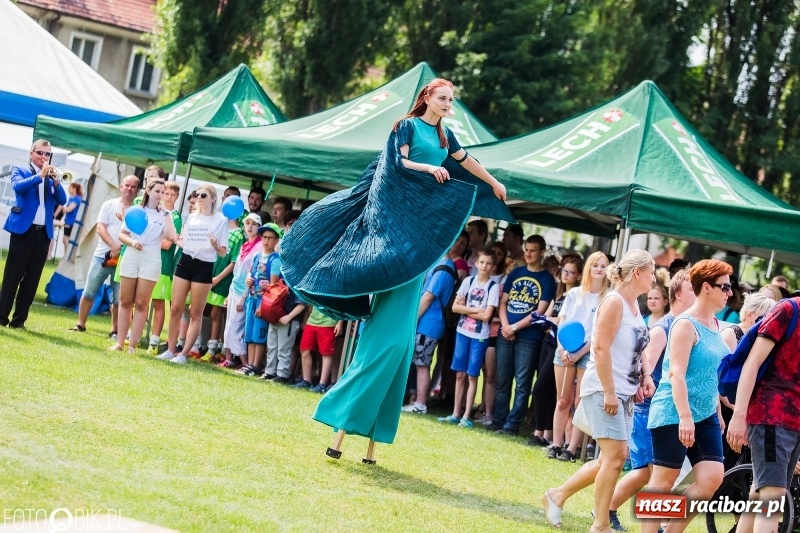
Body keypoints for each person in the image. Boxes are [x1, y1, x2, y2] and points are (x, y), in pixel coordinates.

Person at [280, 77, 507, 461]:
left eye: (451, 99)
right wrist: (426, 169)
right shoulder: (406, 126)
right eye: (442, 98)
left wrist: (494, 182)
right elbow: (396, 162)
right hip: (395, 235)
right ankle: (342, 418)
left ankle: (372, 436)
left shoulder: (445, 135)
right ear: (427, 99)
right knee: (384, 346)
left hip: (417, 242)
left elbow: (466, 160)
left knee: (400, 350)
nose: (448, 103)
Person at [542, 249, 654, 533]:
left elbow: (635, 349)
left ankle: (557, 495)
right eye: (651, 272)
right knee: (616, 457)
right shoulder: (613, 302)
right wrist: (609, 393)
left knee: (611, 458)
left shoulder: (633, 305)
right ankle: (601, 524)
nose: (654, 278)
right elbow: (600, 348)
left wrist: (642, 378)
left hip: (625, 392)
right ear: (637, 273)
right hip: (604, 390)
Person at [642, 259, 733, 533]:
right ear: (706, 287)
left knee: (712, 478)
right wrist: (684, 418)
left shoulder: (718, 325)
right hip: (674, 411)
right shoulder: (684, 324)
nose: (730, 293)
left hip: (705, 414)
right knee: (663, 481)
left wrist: (716, 408)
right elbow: (676, 375)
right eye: (725, 287)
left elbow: (710, 373)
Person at [605, 268, 695, 531]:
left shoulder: (688, 325)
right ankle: (611, 510)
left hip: (667, 409)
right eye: (692, 289)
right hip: (649, 408)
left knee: (653, 473)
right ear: (678, 294)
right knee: (655, 472)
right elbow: (646, 366)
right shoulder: (663, 328)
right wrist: (647, 383)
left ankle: (611, 509)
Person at [727, 293, 800, 533]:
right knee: (773, 496)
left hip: (794, 422)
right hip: (771, 415)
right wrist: (739, 416)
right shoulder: (788, 310)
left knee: (760, 493)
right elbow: (752, 362)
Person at [548, 252, 611, 462]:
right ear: (589, 268)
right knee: (562, 400)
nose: (599, 269)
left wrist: (579, 353)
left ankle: (571, 449)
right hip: (565, 351)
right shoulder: (574, 293)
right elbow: (562, 322)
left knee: (580, 401)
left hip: (588, 353)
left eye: (604, 266)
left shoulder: (607, 298)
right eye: (596, 265)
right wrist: (562, 349)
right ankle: (556, 444)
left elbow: (600, 332)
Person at [156, 185, 229, 365]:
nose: (199, 197)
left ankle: (184, 353)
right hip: (186, 260)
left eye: (203, 195)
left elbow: (222, 253)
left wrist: (214, 244)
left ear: (213, 198)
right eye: (197, 195)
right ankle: (171, 349)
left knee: (195, 312)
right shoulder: (192, 217)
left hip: (204, 265)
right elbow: (185, 241)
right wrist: (176, 240)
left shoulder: (220, 220)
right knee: (175, 308)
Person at [491, 234, 556, 435]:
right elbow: (503, 302)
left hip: (529, 337)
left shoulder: (547, 279)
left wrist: (515, 328)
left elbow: (540, 312)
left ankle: (512, 424)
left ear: (542, 252)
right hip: (505, 332)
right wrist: (505, 326)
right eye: (526, 249)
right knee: (502, 379)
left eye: (533, 250)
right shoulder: (516, 273)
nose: (528, 254)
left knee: (522, 383)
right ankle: (498, 419)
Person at [0, 139, 67, 329]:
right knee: (13, 275)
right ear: (32, 153)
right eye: (40, 153)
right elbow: (18, 187)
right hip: (23, 230)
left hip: (42, 234)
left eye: (47, 154)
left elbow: (62, 199)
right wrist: (40, 176)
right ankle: (1, 317)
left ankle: (18, 321)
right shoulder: (20, 170)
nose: (44, 157)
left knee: (32, 280)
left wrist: (56, 181)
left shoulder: (51, 177)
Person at [110, 180, 177, 353]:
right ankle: (119, 342)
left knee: (141, 303)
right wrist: (133, 242)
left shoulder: (163, 214)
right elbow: (122, 234)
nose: (160, 195)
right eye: (157, 191)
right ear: (148, 190)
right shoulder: (136, 210)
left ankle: (132, 344)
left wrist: (166, 214)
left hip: (152, 257)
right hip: (132, 254)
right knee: (125, 301)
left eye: (163, 192)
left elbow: (171, 236)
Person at [68, 175, 139, 336]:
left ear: (137, 190)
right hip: (102, 256)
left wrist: (120, 248)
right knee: (89, 291)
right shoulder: (109, 205)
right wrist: (114, 245)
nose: (129, 189)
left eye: (133, 186)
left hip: (124, 258)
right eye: (126, 185)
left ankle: (115, 330)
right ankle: (80, 324)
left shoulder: (137, 210)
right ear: (121, 186)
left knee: (118, 299)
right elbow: (101, 228)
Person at [438, 248, 499, 428]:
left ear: (492, 266)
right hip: (462, 332)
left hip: (479, 336)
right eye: (482, 262)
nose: (484, 266)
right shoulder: (467, 282)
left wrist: (468, 309)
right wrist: (476, 310)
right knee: (459, 374)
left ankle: (466, 415)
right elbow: (455, 309)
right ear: (477, 263)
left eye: (488, 263)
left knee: (473, 375)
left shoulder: (493, 287)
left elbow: (487, 316)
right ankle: (455, 413)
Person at [529, 254, 582, 447]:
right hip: (548, 342)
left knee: (544, 388)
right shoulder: (559, 293)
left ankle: (546, 432)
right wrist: (543, 320)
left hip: (562, 346)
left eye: (570, 272)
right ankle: (540, 432)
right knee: (543, 389)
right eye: (563, 271)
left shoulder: (576, 296)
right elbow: (549, 315)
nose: (566, 275)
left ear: (578, 275)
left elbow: (564, 321)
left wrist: (550, 321)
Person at [402, 254, 458, 414]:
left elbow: (428, 297)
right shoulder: (440, 264)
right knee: (420, 363)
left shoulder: (444, 268)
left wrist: (412, 321)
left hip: (429, 324)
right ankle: (418, 402)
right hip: (427, 323)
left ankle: (420, 404)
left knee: (422, 364)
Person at [217, 213, 262, 369]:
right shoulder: (244, 245)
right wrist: (230, 295)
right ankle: (229, 359)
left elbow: (254, 274)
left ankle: (245, 364)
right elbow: (237, 272)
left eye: (254, 224)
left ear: (259, 227)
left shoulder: (259, 246)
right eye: (247, 223)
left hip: (246, 292)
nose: (249, 226)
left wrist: (243, 298)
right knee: (228, 326)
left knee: (235, 327)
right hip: (234, 289)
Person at [237, 223, 282, 376]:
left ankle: (256, 365)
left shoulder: (276, 260)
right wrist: (248, 281)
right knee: (249, 334)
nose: (266, 241)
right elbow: (251, 273)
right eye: (264, 237)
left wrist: (262, 305)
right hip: (251, 298)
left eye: (270, 238)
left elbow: (273, 286)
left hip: (263, 303)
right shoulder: (257, 256)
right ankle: (249, 364)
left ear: (276, 240)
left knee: (259, 335)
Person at [203, 210, 244, 361]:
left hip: (222, 280)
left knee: (216, 313)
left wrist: (218, 278)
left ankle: (212, 349)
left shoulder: (239, 235)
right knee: (204, 311)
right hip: (209, 275)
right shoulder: (220, 229)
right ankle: (202, 345)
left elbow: (234, 262)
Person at [147, 181, 182, 355]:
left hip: (164, 266)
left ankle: (154, 341)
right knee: (141, 300)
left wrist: (149, 240)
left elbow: (168, 244)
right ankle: (135, 334)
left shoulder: (175, 216)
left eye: (172, 194)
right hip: (148, 260)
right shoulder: (155, 210)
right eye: (166, 193)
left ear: (177, 196)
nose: (168, 197)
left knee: (159, 303)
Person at [476, 241, 509, 426]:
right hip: (480, 332)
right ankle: (482, 407)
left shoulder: (502, 281)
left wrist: (486, 316)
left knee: (492, 374)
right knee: (481, 372)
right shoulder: (476, 280)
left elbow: (491, 313)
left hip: (495, 334)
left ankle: (488, 410)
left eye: (499, 253)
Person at [296, 307, 344, 392]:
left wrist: (340, 322)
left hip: (329, 322)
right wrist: (305, 318)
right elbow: (310, 303)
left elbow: (343, 303)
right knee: (304, 349)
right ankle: (306, 381)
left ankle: (322, 385)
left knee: (327, 353)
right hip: (311, 321)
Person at [55, 181, 82, 257]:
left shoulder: (77, 199)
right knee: (65, 239)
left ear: (74, 188)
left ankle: (69, 255)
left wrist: (65, 209)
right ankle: (66, 255)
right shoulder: (71, 198)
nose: (68, 189)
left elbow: (68, 209)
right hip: (67, 221)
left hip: (72, 222)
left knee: (66, 239)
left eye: (70, 188)